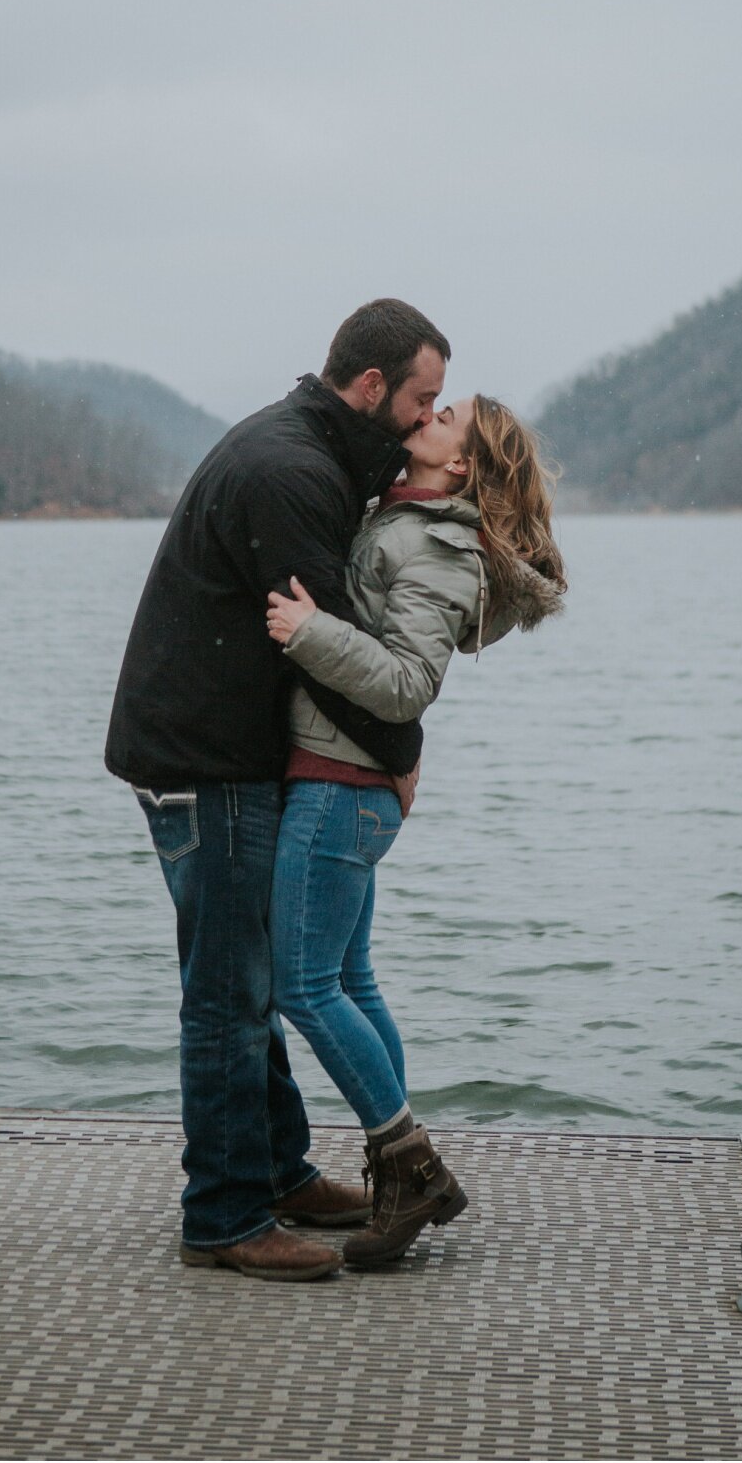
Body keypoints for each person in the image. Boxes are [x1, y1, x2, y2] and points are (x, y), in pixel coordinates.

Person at [104, 298, 448, 1282]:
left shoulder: (315, 450)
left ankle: (279, 1172)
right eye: (421, 399)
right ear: (370, 386)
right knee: (225, 992)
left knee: (247, 980)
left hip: (217, 749)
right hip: (201, 762)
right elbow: (333, 643)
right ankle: (222, 1215)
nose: (430, 417)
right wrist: (402, 750)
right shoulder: (290, 472)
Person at [262, 394, 565, 1266]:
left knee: (305, 986)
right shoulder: (402, 510)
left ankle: (411, 1163)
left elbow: (403, 685)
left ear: (460, 466)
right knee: (346, 977)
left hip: (341, 785)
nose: (422, 420)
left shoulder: (438, 547)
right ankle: (399, 1171)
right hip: (348, 785)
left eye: (443, 420)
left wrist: (308, 630)